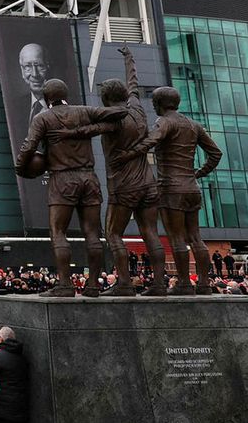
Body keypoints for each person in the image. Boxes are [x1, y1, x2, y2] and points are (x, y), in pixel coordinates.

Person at [54, 46, 166, 295]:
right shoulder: (136, 107)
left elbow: (87, 130)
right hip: (149, 183)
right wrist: (129, 58)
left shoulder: (113, 121)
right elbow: (133, 82)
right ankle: (160, 283)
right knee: (151, 232)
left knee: (113, 233)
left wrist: (66, 132)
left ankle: (124, 283)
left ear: (105, 100)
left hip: (124, 187)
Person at [15, 78, 124, 297]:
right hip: (89, 178)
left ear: (47, 99)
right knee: (93, 233)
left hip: (62, 178)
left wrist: (20, 167)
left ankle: (65, 284)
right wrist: (86, 130)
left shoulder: (43, 117)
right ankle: (93, 285)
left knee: (58, 232)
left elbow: (29, 146)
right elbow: (120, 114)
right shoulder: (84, 111)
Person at [114, 85, 223, 294]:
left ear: (160, 104)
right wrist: (199, 173)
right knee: (195, 237)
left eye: (154, 102)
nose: (153, 106)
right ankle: (204, 283)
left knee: (177, 238)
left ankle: (183, 283)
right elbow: (216, 153)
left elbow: (151, 140)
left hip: (171, 189)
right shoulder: (193, 125)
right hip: (192, 187)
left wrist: (128, 154)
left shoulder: (164, 121)